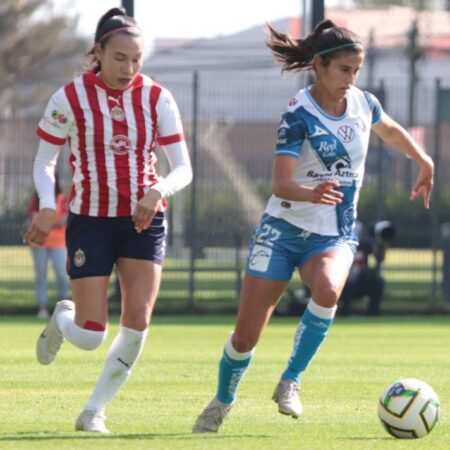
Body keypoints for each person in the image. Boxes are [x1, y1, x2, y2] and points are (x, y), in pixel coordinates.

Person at [192, 19, 434, 433]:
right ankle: (222, 401)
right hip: (282, 231)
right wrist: (311, 191)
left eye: (356, 71)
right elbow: (280, 183)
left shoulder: (364, 103)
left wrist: (423, 160)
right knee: (246, 337)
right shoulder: (298, 113)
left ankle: (290, 380)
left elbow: (390, 131)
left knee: (328, 289)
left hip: (333, 233)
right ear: (319, 67)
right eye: (344, 70)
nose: (351, 79)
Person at [24, 7, 192, 433]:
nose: (129, 68)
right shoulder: (69, 98)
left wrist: (157, 192)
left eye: (136, 60)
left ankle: (93, 411)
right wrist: (48, 205)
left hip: (143, 221)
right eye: (120, 58)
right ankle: (65, 318)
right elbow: (46, 162)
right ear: (98, 52)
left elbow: (183, 168)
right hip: (90, 221)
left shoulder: (157, 97)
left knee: (137, 320)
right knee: (90, 334)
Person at [27, 175, 69, 319]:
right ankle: (42, 308)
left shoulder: (62, 198)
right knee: (41, 276)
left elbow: (64, 218)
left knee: (63, 276)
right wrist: (51, 223)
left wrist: (45, 223)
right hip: (39, 243)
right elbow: (35, 219)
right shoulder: (36, 200)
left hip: (59, 243)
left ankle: (61, 308)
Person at [339, 221, 394, 316]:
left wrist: (382, 243)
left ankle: (373, 312)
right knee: (348, 282)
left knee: (378, 282)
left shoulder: (364, 243)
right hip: (342, 280)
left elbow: (379, 257)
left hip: (359, 280)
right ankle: (345, 312)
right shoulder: (338, 244)